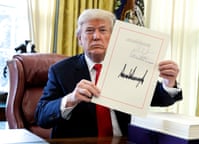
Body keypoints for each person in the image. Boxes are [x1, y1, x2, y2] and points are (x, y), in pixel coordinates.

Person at [35, 9, 182, 138]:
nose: (96, 36)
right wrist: (71, 99)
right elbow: (41, 117)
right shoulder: (60, 71)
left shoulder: (129, 66)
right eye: (89, 30)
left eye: (103, 30)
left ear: (113, 38)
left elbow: (160, 98)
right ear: (80, 39)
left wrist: (169, 83)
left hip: (124, 140)